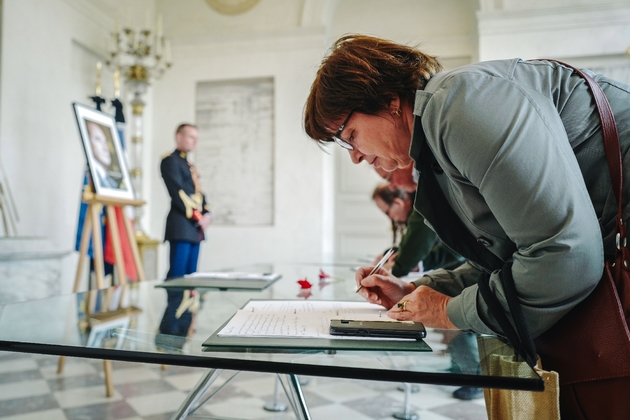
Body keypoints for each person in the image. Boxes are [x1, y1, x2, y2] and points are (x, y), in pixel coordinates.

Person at [304, 34, 630, 416]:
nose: (356, 157)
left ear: (389, 102)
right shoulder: (441, 132)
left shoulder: (461, 106)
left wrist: (449, 311)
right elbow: (506, 255)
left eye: (350, 136)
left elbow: (565, 257)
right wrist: (418, 290)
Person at [159, 123, 212, 341]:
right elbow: (178, 193)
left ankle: (184, 326)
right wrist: (198, 216)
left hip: (194, 229)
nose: (194, 142)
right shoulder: (169, 161)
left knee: (191, 279)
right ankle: (171, 328)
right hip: (182, 226)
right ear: (178, 137)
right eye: (190, 137)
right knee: (178, 277)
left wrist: (207, 213)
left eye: (196, 138)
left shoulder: (189, 165)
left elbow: (199, 193)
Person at [86, 120, 122, 189]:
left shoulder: (112, 183)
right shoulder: (91, 179)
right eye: (98, 139)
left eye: (105, 141)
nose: (106, 148)